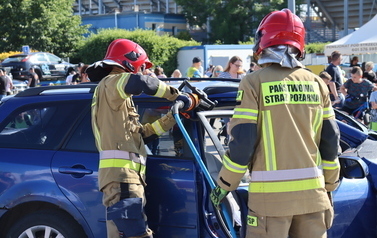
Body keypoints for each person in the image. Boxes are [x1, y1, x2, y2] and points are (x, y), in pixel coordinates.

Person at [210, 9, 340, 238]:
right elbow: (330, 140)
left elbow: (244, 142)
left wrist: (224, 185)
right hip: (314, 199)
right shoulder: (317, 83)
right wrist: (330, 184)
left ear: (264, 41)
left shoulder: (253, 82)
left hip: (270, 204)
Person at [86, 39, 194, 238]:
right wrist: (177, 95)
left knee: (123, 234)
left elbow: (142, 134)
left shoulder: (117, 99)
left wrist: (173, 116)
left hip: (126, 178)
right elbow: (142, 83)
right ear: (129, 61)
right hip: (122, 178)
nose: (143, 71)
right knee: (134, 234)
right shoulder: (112, 82)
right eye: (142, 66)